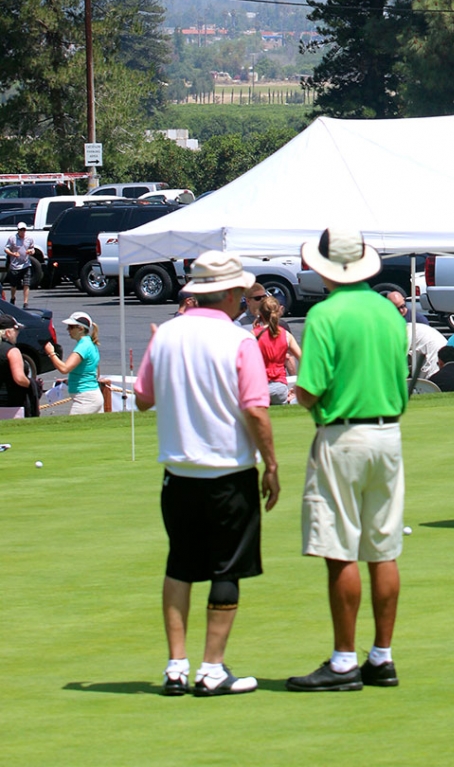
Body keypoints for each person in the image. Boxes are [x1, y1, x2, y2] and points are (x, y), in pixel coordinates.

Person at [134, 251, 279, 697]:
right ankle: (211, 668)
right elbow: (255, 409)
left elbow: (142, 398)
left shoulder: (167, 335)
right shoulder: (238, 341)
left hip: (177, 474)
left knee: (180, 564)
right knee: (226, 568)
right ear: (233, 293)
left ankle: (176, 666)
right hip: (229, 473)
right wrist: (271, 464)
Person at [288, 227, 408, 692]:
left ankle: (343, 661)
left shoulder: (323, 314)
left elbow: (309, 389)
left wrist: (304, 397)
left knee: (340, 549)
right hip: (389, 434)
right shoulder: (388, 310)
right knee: (384, 548)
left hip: (342, 435)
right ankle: (382, 655)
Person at [43, 310, 104, 414]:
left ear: (80, 328)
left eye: (71, 327)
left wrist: (51, 353)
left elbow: (64, 368)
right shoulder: (90, 343)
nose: (68, 329)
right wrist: (71, 380)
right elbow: (94, 373)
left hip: (85, 398)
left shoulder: (83, 346)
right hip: (92, 395)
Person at [386, 291, 447, 379]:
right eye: (397, 308)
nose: (401, 310)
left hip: (433, 365)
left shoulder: (415, 322)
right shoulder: (396, 325)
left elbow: (398, 357)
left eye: (403, 306)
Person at [254, 296, 302, 405]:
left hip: (259, 387)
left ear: (260, 313)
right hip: (280, 387)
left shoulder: (253, 335)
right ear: (279, 311)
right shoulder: (286, 334)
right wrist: (296, 387)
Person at [0, 314, 32, 415]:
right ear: (8, 332)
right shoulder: (12, 351)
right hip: (11, 403)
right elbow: (19, 378)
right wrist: (33, 385)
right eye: (16, 330)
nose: (18, 333)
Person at [4, 221, 34, 306]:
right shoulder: (12, 238)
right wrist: (13, 254)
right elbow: (6, 249)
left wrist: (31, 252)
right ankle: (13, 297)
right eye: (21, 230)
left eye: (24, 230)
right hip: (15, 265)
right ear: (18, 230)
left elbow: (33, 248)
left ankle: (25, 302)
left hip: (26, 264)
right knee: (14, 285)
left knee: (26, 283)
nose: (22, 231)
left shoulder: (29, 238)